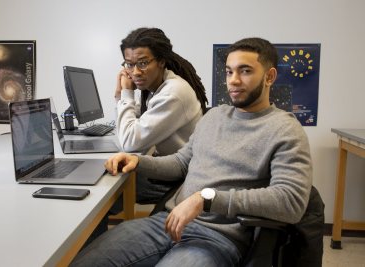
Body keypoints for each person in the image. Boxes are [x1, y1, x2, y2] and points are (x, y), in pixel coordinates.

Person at [71, 37, 312, 267]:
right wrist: (137, 160)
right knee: (81, 261)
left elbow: (291, 201)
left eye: (245, 71)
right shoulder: (215, 116)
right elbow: (181, 163)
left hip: (217, 238)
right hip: (166, 223)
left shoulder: (285, 130)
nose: (234, 80)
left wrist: (206, 199)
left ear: (269, 76)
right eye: (229, 71)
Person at [115, 27, 208, 204]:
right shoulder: (156, 88)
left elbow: (128, 143)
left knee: (108, 190)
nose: (135, 72)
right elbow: (127, 134)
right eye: (129, 64)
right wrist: (120, 97)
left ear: (161, 61)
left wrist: (126, 95)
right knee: (111, 176)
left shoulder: (173, 93)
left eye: (142, 63)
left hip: (182, 179)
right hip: (170, 170)